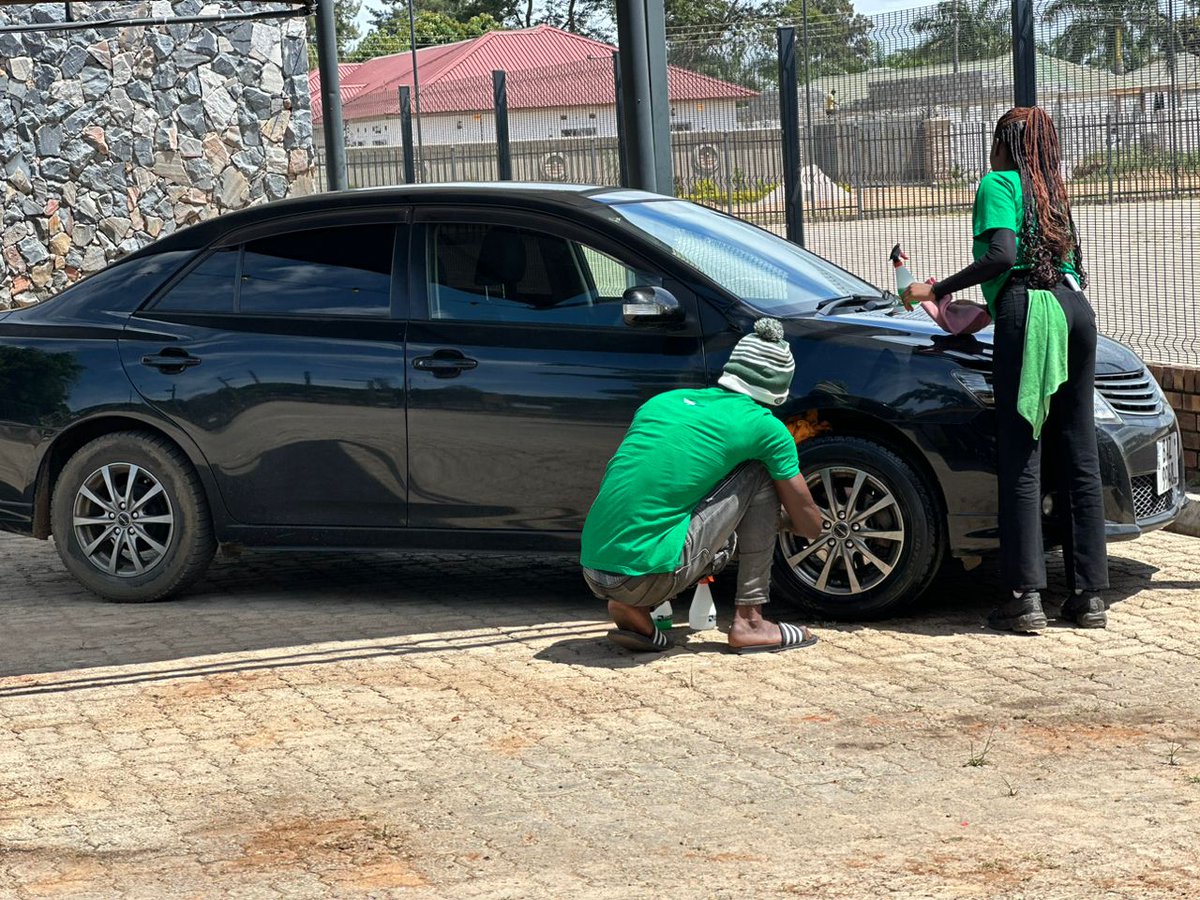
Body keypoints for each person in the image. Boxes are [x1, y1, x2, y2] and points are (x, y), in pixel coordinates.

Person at [903, 106, 1108, 633]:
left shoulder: (998, 182)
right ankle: (1089, 597)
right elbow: (1056, 266)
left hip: (1031, 312)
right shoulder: (1051, 189)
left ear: (1002, 143)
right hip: (1074, 311)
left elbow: (1001, 256)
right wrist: (988, 310)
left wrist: (937, 289)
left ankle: (1024, 598)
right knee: (1078, 450)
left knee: (1022, 450)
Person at [580, 318, 824, 654]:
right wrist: (781, 519)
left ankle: (633, 607)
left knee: (678, 501)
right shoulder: (764, 428)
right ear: (779, 390)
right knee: (758, 470)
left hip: (593, 567)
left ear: (732, 369)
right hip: (644, 576)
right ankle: (751, 622)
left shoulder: (662, 402)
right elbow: (810, 527)